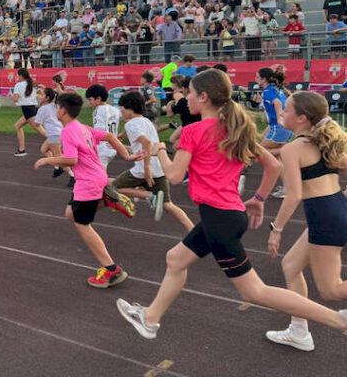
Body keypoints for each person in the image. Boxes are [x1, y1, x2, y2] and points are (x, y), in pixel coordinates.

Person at [116, 69, 347, 341]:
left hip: (220, 220)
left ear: (203, 97)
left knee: (254, 292)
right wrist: (259, 199)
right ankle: (150, 319)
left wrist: (162, 152)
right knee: (175, 259)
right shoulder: (237, 128)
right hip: (229, 214)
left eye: (189, 93)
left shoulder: (194, 131)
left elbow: (175, 176)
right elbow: (272, 166)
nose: (186, 98)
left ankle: (338, 319)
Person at [33, 91, 143, 288]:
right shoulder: (81, 127)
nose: (56, 110)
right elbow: (109, 136)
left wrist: (47, 159)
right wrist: (126, 156)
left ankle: (111, 270)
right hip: (98, 177)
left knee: (82, 223)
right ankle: (109, 199)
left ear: (63, 111)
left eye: (58, 107)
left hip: (88, 183)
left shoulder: (67, 131)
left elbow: (71, 159)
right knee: (70, 213)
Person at [265, 91, 347, 351]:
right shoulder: (325, 141)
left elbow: (293, 196)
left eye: (286, 110)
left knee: (331, 290)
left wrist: (276, 230)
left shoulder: (294, 149)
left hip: (325, 216)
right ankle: (299, 331)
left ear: (301, 118)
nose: (281, 114)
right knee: (290, 265)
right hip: (333, 209)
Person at [113, 91, 194, 231]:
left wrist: (146, 169)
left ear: (130, 109)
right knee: (168, 204)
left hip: (143, 170)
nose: (121, 112)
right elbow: (141, 147)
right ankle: (192, 229)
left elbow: (146, 143)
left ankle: (150, 196)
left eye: (122, 108)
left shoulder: (131, 124)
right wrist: (119, 145)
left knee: (113, 189)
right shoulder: (147, 122)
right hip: (159, 169)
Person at [256, 67, 293, 198]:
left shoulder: (268, 91)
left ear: (264, 79)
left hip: (279, 127)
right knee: (275, 159)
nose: (255, 79)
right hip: (281, 127)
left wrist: (279, 117)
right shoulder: (276, 89)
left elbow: (277, 103)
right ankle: (287, 187)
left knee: (258, 152)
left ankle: (285, 150)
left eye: (257, 77)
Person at [86, 84, 121, 170]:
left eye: (90, 99)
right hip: (112, 147)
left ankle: (123, 184)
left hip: (102, 149)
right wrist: (122, 134)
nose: (89, 102)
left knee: (99, 178)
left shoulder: (98, 111)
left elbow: (99, 131)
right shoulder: (115, 110)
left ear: (98, 99)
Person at [34, 88, 65, 179]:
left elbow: (36, 124)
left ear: (47, 98)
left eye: (42, 95)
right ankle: (57, 167)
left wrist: (40, 106)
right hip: (59, 133)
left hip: (55, 135)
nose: (40, 96)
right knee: (44, 149)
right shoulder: (54, 105)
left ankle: (72, 176)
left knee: (58, 157)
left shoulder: (43, 109)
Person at [12, 68, 40, 157]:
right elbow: (41, 92)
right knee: (17, 126)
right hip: (32, 110)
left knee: (43, 132)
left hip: (29, 111)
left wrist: (13, 97)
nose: (17, 77)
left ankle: (59, 144)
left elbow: (15, 99)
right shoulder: (32, 84)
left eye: (18, 75)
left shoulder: (18, 85)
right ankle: (21, 149)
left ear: (21, 76)